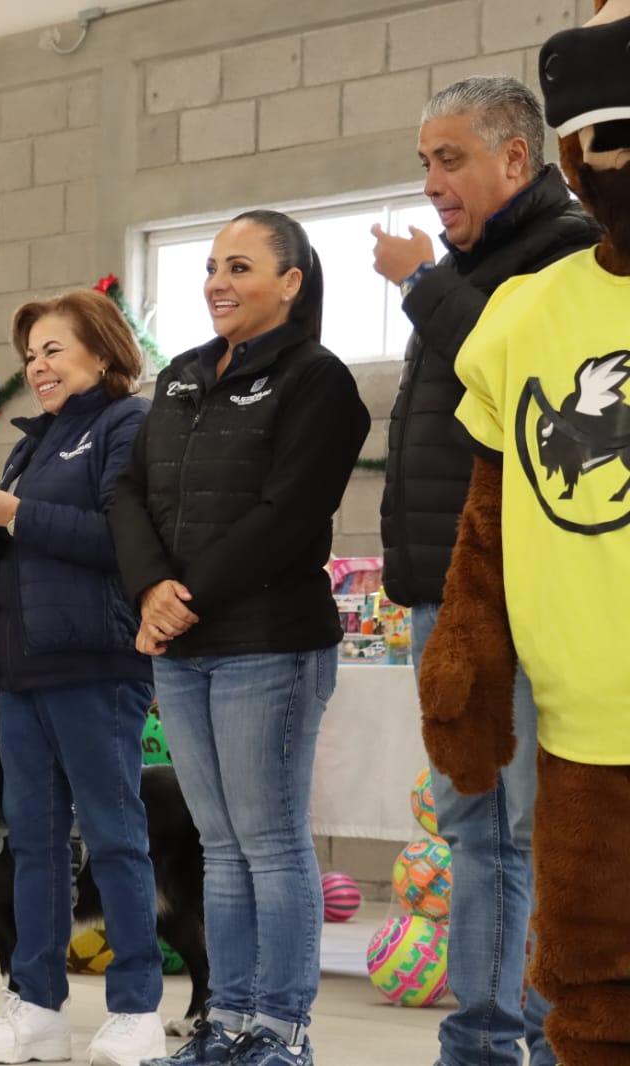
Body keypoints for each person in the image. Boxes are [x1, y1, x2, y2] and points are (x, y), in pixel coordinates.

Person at [111, 211, 369, 1066]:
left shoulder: (318, 380)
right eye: (213, 265)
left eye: (241, 266)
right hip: (183, 648)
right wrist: (151, 588)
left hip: (268, 642)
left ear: (291, 282)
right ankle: (226, 1024)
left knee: (269, 841)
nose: (217, 281)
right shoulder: (183, 377)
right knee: (219, 848)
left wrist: (186, 596)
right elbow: (129, 494)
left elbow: (289, 513)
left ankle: (281, 1029)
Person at [420, 5, 630, 1059]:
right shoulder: (525, 312)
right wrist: (465, 666)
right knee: (589, 975)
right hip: (580, 730)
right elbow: (485, 528)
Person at [375, 75, 596, 1066]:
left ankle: (542, 1043)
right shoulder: (468, 265)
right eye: (423, 161)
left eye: (449, 158)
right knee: (474, 829)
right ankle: (477, 1040)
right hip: (442, 591)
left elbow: (514, 378)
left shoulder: (563, 253)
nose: (431, 181)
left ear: (519, 158)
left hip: (524, 594)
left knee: (528, 832)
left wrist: (423, 286)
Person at [0, 288, 164, 1066]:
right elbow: (9, 562)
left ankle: (137, 1009)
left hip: (96, 668)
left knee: (113, 837)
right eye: (30, 355)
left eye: (54, 351)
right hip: (22, 672)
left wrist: (14, 516)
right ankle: (36, 1006)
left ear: (100, 354)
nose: (37, 366)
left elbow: (119, 540)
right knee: (32, 844)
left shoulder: (124, 425)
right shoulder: (31, 446)